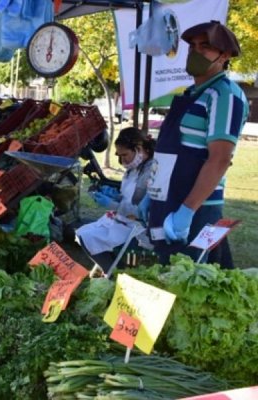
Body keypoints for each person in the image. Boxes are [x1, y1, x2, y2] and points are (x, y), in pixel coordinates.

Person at [139, 21, 249, 268]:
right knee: (164, 274)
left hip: (195, 209)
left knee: (186, 283)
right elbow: (169, 151)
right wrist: (151, 193)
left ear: (225, 55)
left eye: (205, 46)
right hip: (167, 200)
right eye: (193, 46)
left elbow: (219, 159)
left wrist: (186, 212)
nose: (196, 52)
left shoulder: (225, 95)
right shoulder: (190, 94)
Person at [76, 128, 156, 272]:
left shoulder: (151, 171)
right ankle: (111, 269)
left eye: (125, 155)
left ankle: (113, 272)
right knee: (82, 233)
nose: (122, 160)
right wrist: (113, 195)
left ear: (138, 149)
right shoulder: (133, 168)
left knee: (88, 236)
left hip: (139, 226)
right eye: (119, 156)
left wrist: (112, 204)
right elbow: (128, 197)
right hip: (124, 220)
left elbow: (141, 210)